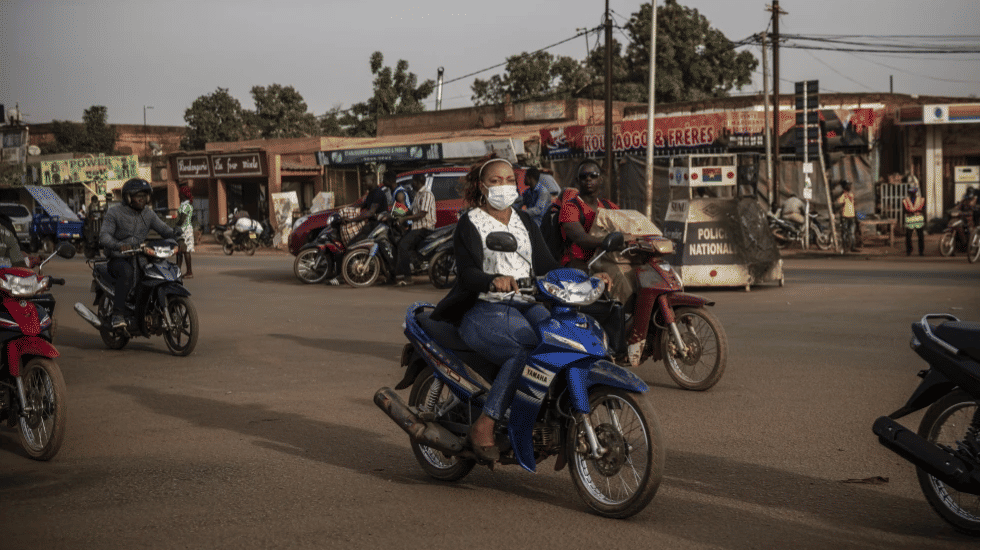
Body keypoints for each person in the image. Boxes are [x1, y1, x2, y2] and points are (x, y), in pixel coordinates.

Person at [431, 154, 610, 462]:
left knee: (560, 343)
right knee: (525, 352)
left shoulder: (524, 219)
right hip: (485, 310)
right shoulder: (469, 222)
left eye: (508, 180)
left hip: (527, 304)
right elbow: (467, 274)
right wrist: (493, 280)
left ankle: (543, 413)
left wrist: (590, 278)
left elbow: (547, 265)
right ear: (481, 186)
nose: (503, 186)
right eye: (495, 181)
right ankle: (485, 425)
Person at [100, 178, 177, 328]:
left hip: (140, 255)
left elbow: (165, 230)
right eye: (138, 196)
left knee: (157, 271)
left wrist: (177, 237)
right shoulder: (114, 212)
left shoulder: (148, 214)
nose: (142, 199)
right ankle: (118, 315)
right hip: (118, 258)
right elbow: (104, 236)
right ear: (128, 197)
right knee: (126, 272)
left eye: (145, 195)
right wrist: (119, 245)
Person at [559, 159, 619, 271]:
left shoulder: (609, 206)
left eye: (593, 175)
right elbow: (581, 239)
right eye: (583, 176)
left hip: (606, 258)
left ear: (601, 179)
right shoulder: (570, 207)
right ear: (577, 180)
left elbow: (628, 225)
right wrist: (609, 242)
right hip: (578, 263)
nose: (588, 179)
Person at [395, 174, 435, 286]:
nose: (411, 184)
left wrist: (405, 218)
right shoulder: (418, 195)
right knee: (400, 242)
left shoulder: (426, 194)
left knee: (403, 245)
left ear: (418, 182)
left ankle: (407, 277)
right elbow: (411, 211)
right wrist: (395, 214)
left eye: (413, 181)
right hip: (416, 227)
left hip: (424, 228)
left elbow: (422, 214)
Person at [176, 186, 195, 277]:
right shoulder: (187, 205)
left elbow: (182, 218)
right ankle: (179, 271)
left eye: (180, 194)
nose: (179, 195)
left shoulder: (185, 206)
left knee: (185, 250)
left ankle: (188, 272)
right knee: (181, 251)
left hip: (184, 229)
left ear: (183, 195)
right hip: (187, 228)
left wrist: (176, 225)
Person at [902, 185, 925, 256]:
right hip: (912, 219)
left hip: (915, 219)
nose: (912, 194)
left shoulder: (921, 200)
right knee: (910, 236)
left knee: (918, 236)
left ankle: (919, 251)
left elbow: (923, 209)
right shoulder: (906, 200)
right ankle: (911, 250)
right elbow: (904, 210)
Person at [835, 180, 857, 252]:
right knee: (846, 232)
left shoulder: (849, 194)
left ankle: (851, 247)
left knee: (850, 233)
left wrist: (844, 195)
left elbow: (841, 201)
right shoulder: (845, 195)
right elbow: (839, 201)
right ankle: (847, 247)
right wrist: (844, 195)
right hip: (846, 216)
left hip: (850, 216)